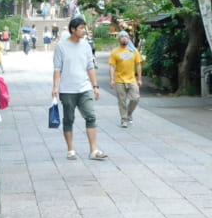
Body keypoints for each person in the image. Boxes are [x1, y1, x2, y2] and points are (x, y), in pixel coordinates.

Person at [52, 16, 107, 161]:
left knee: (91, 116)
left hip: (84, 88)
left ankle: (93, 150)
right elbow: (57, 68)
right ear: (73, 29)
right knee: (68, 119)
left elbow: (90, 66)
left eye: (84, 28)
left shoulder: (86, 46)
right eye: (81, 28)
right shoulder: (61, 46)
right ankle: (70, 150)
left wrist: (95, 86)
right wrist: (55, 87)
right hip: (67, 90)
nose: (84, 31)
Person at [108, 30, 143, 128]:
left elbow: (138, 64)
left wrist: (139, 78)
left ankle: (128, 113)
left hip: (132, 79)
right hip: (119, 80)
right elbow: (112, 66)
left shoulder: (134, 51)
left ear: (128, 39)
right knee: (122, 101)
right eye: (122, 37)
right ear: (119, 39)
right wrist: (112, 79)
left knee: (135, 98)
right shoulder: (115, 52)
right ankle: (124, 119)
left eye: (126, 37)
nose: (124, 38)